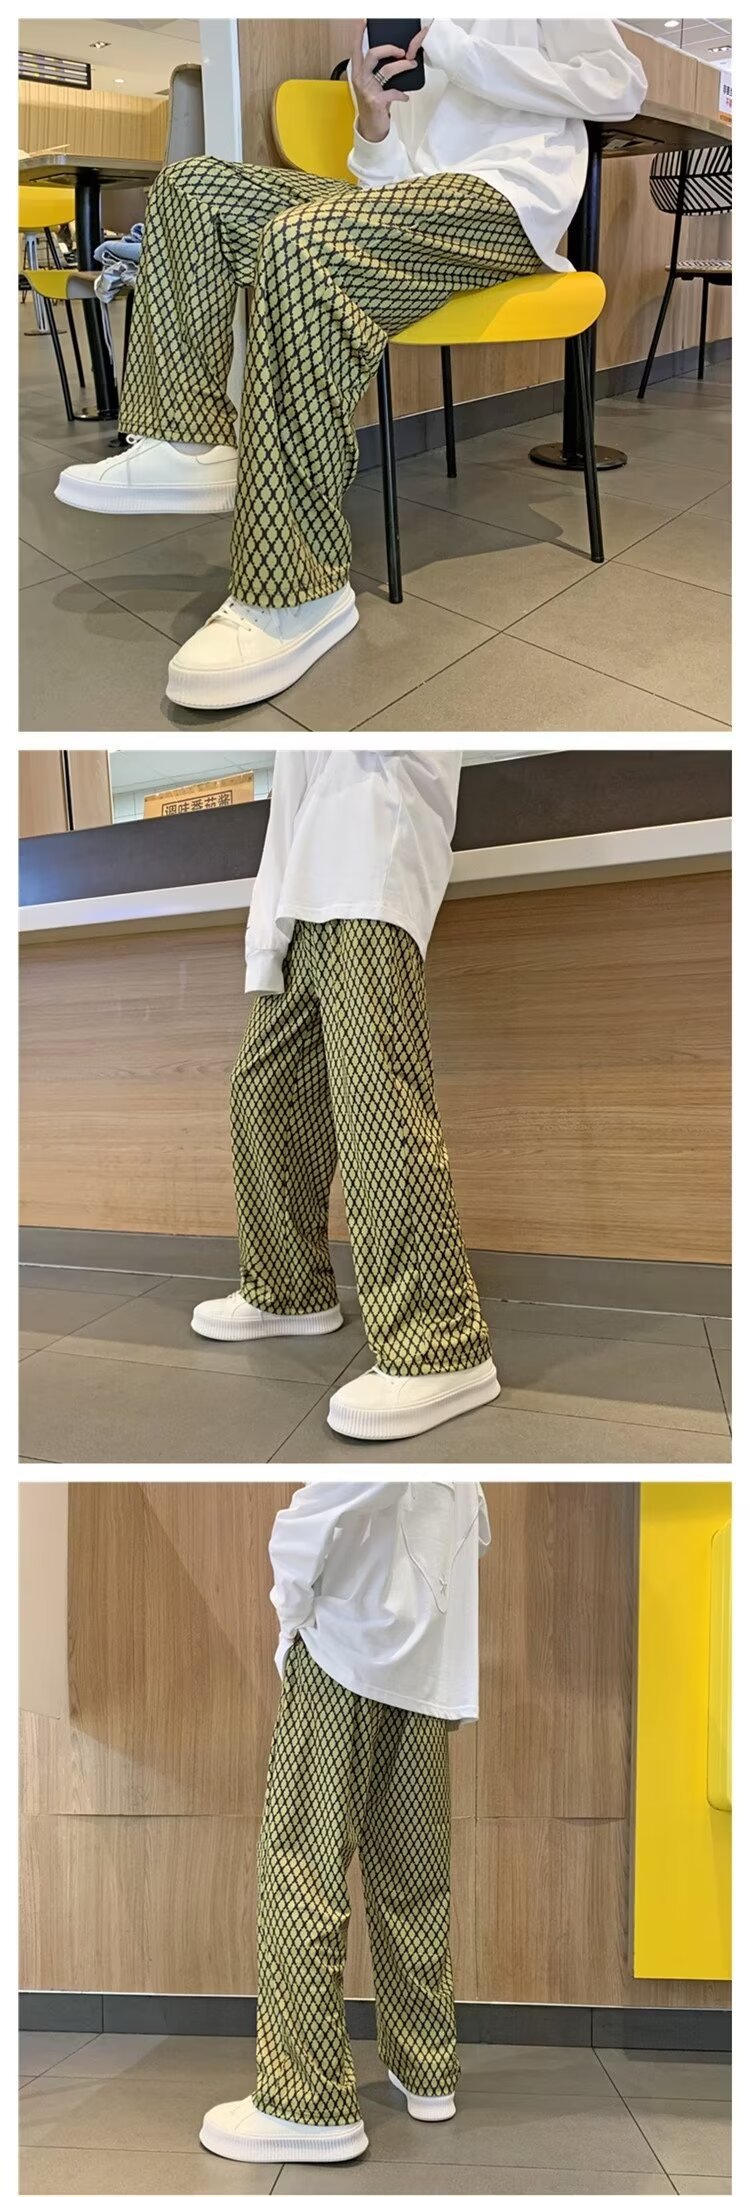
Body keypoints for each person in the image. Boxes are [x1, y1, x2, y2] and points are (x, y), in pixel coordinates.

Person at [54, 21, 647, 713]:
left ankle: (296, 588)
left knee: (300, 242)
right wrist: (373, 121)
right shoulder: (388, 20)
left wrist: (453, 49)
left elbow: (622, 88)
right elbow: (389, 189)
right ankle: (191, 441)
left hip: (508, 203)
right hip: (415, 208)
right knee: (193, 187)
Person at [191, 749, 500, 1442]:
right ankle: (288, 1288)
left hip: (372, 860)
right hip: (300, 898)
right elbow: (289, 799)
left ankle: (440, 1343)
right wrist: (264, 941)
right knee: (264, 1090)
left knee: (376, 1101)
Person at [200, 1478, 491, 2165]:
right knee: (414, 1881)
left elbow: (315, 1514)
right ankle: (427, 2069)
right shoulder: (465, 1475)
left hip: (343, 1657)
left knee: (300, 1871)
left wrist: (290, 1625)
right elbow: (468, 1538)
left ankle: (306, 2103)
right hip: (424, 1678)